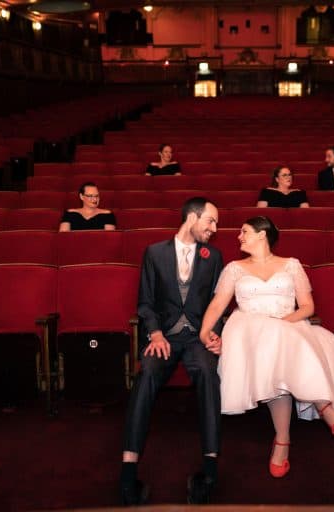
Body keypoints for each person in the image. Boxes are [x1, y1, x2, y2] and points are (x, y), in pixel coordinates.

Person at [199, 216, 334, 479]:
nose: (239, 236)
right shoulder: (234, 268)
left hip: (288, 325)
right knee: (271, 347)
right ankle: (323, 409)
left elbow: (307, 307)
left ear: (262, 234)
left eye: (244, 231)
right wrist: (204, 331)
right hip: (249, 331)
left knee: (282, 346)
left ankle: (282, 440)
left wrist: (282, 323)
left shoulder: (291, 265)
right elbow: (217, 304)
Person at [120, 197, 224, 506]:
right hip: (162, 337)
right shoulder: (154, 252)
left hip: (196, 339)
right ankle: (128, 473)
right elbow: (145, 302)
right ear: (192, 218)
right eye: (211, 221)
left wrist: (215, 333)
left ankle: (209, 470)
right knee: (147, 373)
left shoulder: (214, 256)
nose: (215, 229)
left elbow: (217, 305)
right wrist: (154, 333)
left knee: (208, 372)